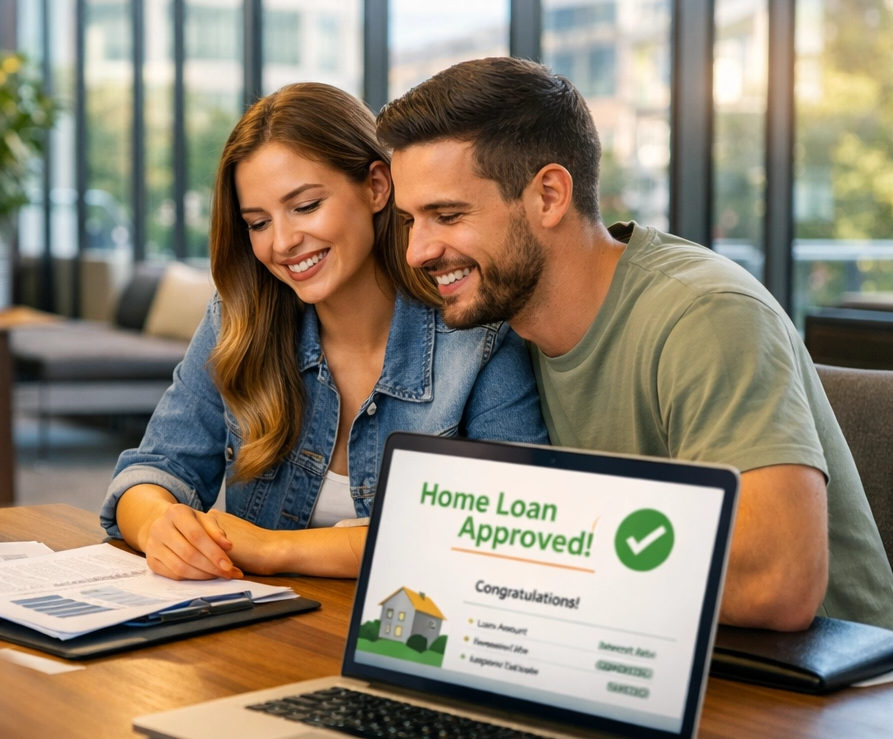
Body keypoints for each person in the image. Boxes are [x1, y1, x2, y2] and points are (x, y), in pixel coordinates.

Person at [379, 56, 893, 631]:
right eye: (409, 221)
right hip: (632, 664)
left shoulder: (705, 315)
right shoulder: (499, 328)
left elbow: (776, 584)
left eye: (447, 215)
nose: (418, 251)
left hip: (817, 697)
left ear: (549, 195)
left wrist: (511, 558)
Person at [101, 83, 546, 580]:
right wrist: (160, 523)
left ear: (377, 186)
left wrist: (276, 550)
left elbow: (504, 529)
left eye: (306, 206)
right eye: (258, 222)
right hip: (263, 641)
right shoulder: (239, 320)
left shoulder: (476, 332)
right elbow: (151, 471)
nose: (284, 243)